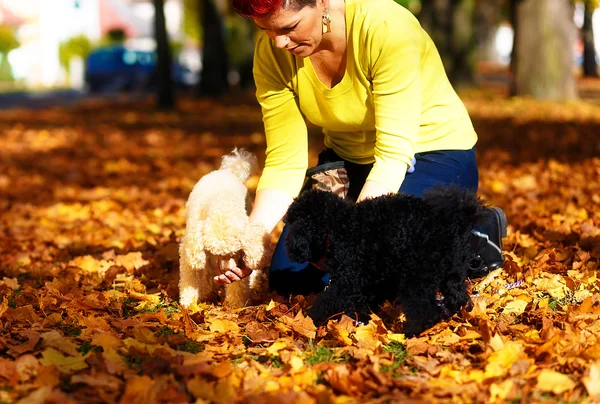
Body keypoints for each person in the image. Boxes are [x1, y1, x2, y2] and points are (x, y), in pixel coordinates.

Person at [213, 0, 508, 295]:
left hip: (430, 152)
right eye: (266, 30)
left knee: (375, 275)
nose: (278, 43)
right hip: (350, 161)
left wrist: (352, 241)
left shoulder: (385, 27)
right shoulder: (272, 55)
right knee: (293, 280)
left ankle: (472, 234)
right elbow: (284, 162)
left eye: (289, 27)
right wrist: (252, 238)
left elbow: (393, 155)